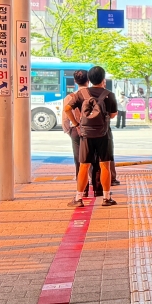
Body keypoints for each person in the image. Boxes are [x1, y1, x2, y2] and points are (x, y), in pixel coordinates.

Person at [65, 65, 118, 207]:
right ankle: (106, 198)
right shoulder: (109, 94)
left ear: (89, 79)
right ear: (103, 78)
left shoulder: (81, 94)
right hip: (103, 134)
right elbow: (113, 115)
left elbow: (67, 108)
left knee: (84, 165)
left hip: (86, 135)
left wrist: (76, 123)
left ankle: (79, 198)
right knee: (104, 165)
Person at [62, 69, 101, 197]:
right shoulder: (94, 95)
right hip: (92, 130)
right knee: (95, 159)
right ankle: (98, 188)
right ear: (88, 80)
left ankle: (82, 190)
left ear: (75, 81)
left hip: (76, 130)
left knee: (79, 160)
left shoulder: (70, 97)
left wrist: (72, 129)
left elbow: (65, 117)